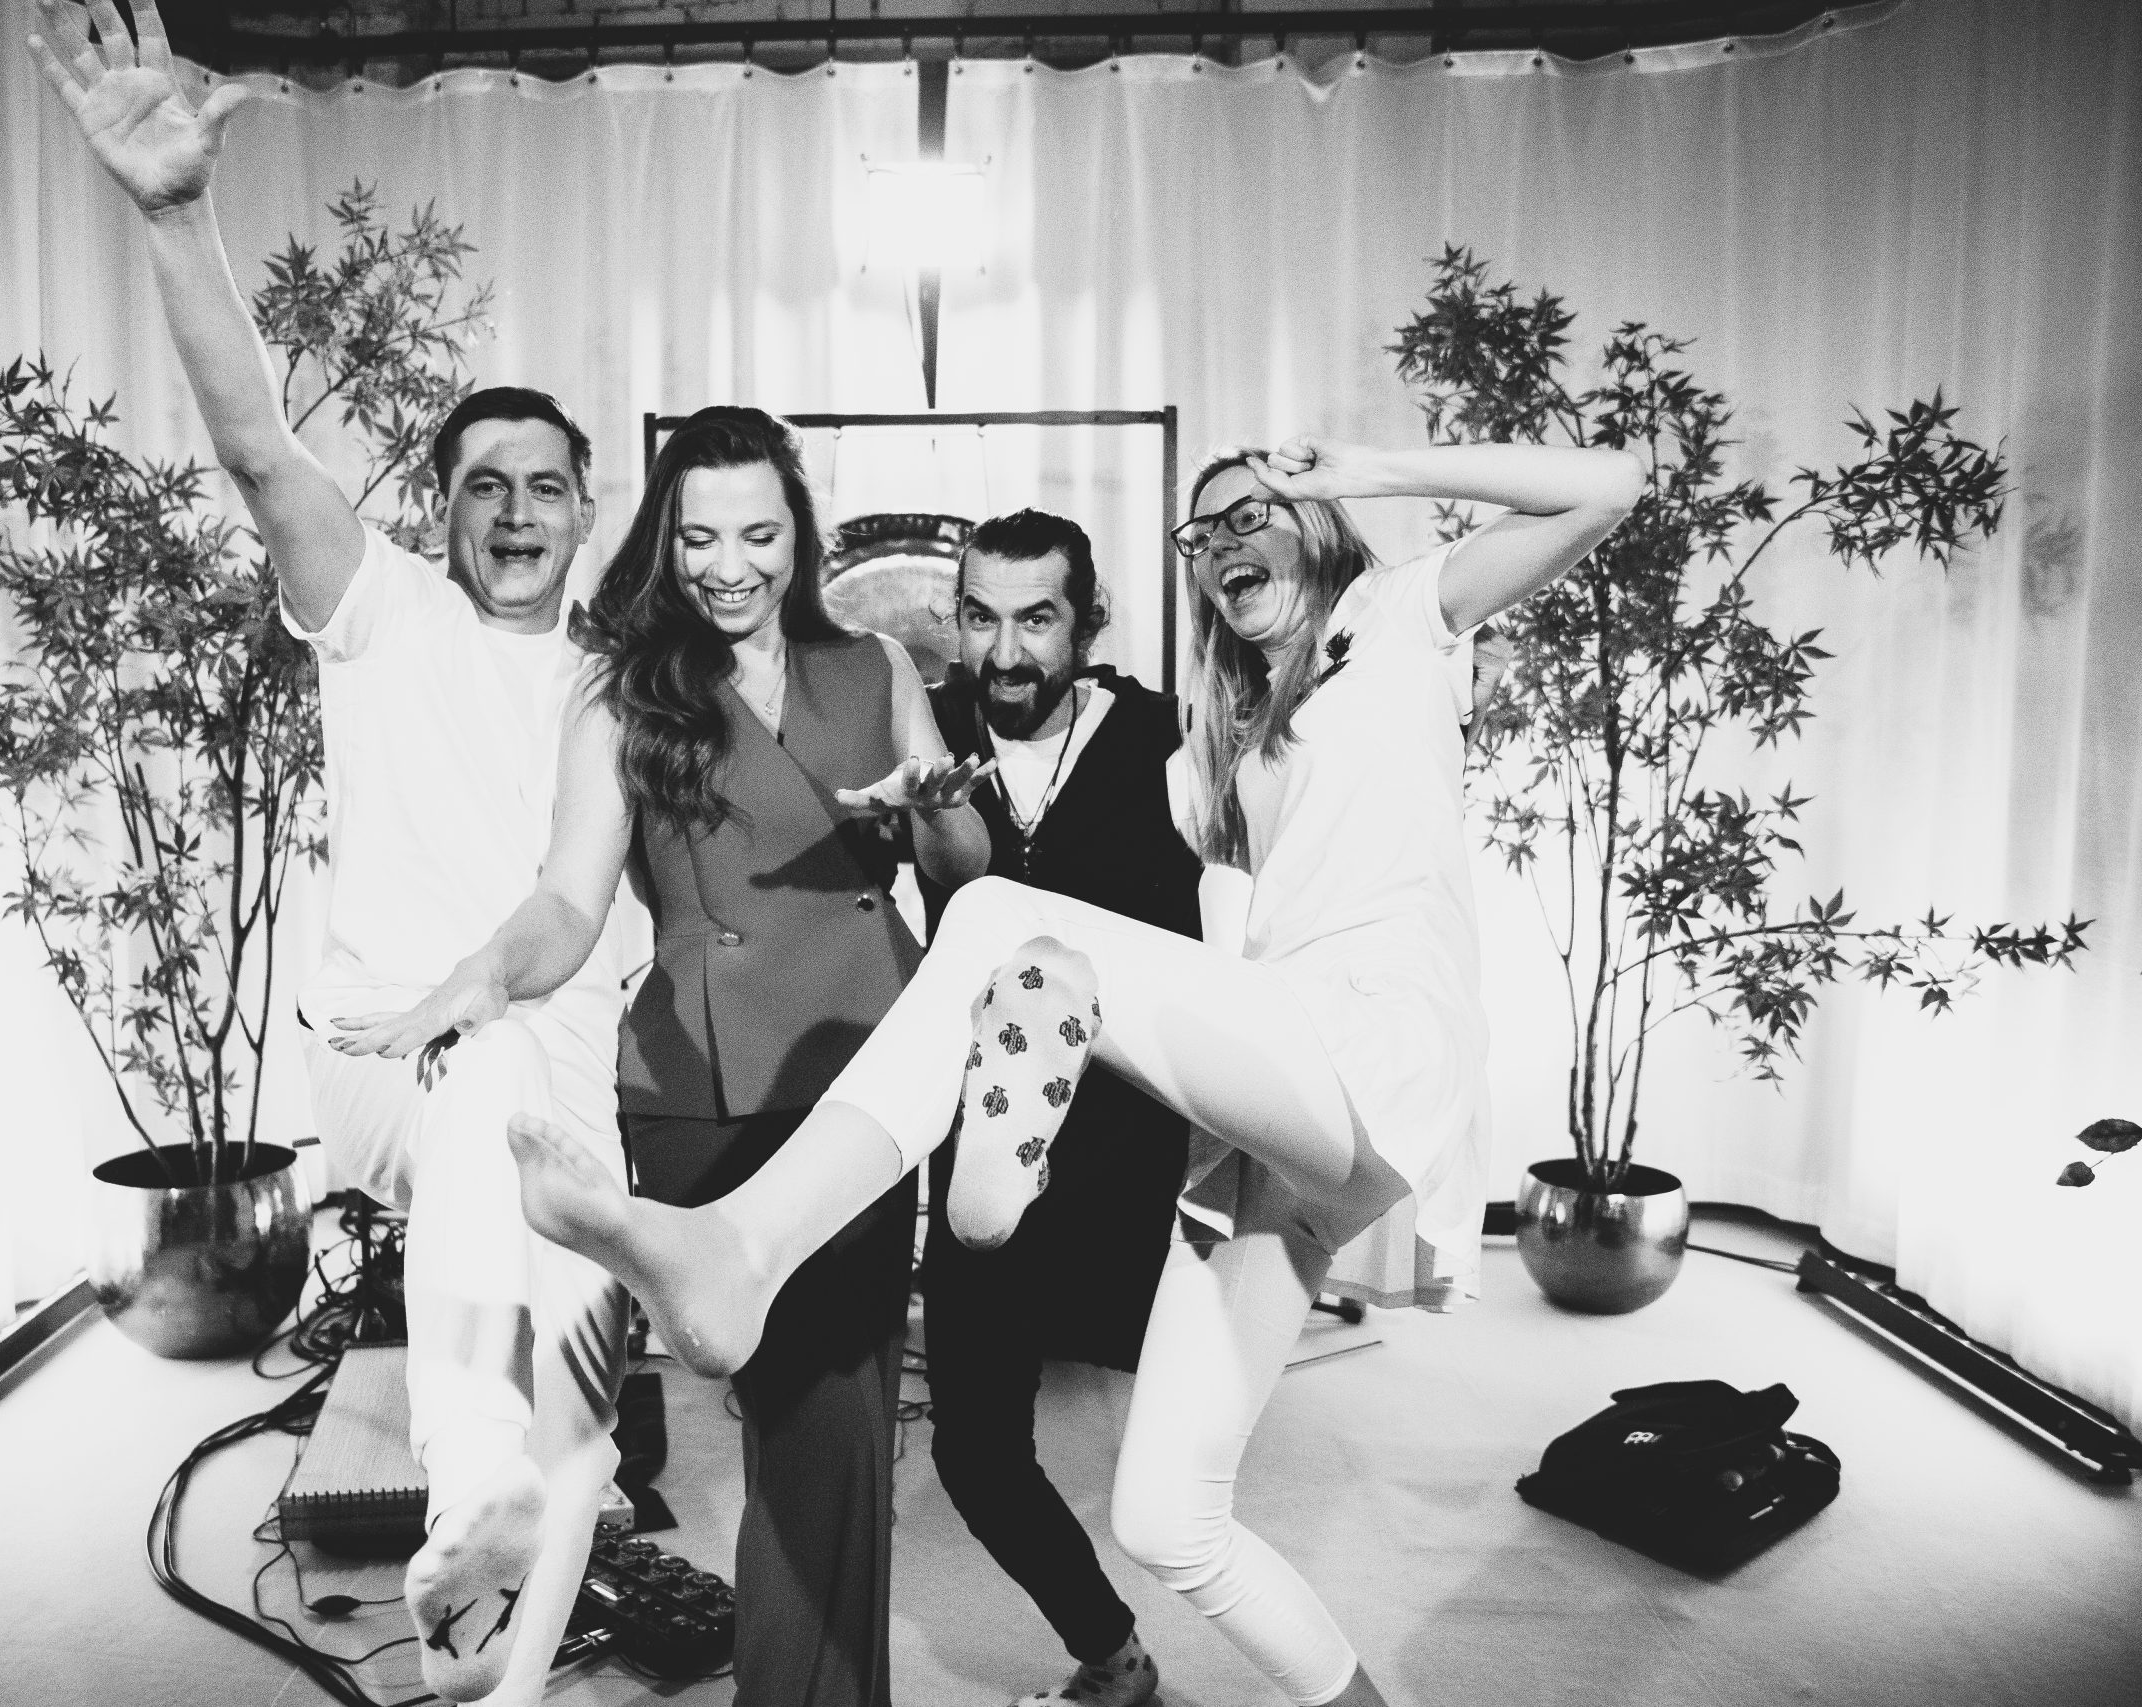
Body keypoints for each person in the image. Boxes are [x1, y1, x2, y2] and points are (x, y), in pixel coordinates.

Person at [505, 433, 1644, 1706]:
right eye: (1205, 532)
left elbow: (1607, 487)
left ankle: (742, 1244)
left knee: (1006, 922)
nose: (1228, 543)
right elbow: (1220, 920)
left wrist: (1359, 467)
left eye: (1259, 512)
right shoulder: (1219, 736)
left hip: (1351, 1048)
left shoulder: (1393, 624)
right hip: (1244, 1123)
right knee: (1168, 1517)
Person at [26, 7, 641, 1702]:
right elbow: (254, 446)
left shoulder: (616, 679)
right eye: (483, 483)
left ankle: (485, 1641)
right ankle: (469, 1456)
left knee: (584, 1415)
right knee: (475, 1075)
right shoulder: (386, 615)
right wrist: (174, 216)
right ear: (440, 510)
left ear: (586, 507)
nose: (514, 509)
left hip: (559, 1076)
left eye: (545, 484)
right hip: (391, 1056)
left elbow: (585, 897)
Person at [352, 406, 993, 1707]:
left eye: (758, 533)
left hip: (868, 1075)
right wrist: (484, 974)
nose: (729, 565)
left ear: (798, 533)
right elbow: (569, 899)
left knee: (846, 1429)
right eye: (700, 536)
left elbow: (963, 872)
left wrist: (939, 811)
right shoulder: (625, 690)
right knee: (810, 1420)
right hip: (711, 1086)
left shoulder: (875, 664)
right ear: (665, 538)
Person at [917, 509, 1199, 1707]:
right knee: (974, 1451)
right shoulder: (923, 731)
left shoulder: (1165, 739)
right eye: (981, 617)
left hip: (1136, 1148)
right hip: (983, 1144)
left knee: (1185, 1469)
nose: (1006, 652)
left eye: (1037, 619)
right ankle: (1111, 1654)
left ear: (1091, 622)